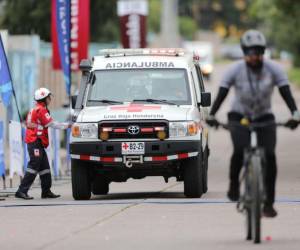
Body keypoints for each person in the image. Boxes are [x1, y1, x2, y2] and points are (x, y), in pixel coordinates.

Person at [206, 30, 300, 217]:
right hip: (238, 115)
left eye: (258, 52)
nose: (254, 56)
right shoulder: (235, 69)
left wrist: (295, 114)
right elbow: (222, 93)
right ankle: (234, 184)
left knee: (270, 156)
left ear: (263, 52)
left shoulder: (274, 69)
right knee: (240, 150)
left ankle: (269, 203)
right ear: (244, 53)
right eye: (249, 52)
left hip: (264, 116)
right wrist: (212, 114)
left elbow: (285, 92)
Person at [15, 88, 71, 200]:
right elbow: (52, 124)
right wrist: (67, 125)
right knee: (34, 165)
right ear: (44, 99)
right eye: (48, 97)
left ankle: (46, 191)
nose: (50, 99)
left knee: (45, 167)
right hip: (35, 141)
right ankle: (21, 190)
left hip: (37, 142)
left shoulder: (37, 108)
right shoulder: (41, 110)